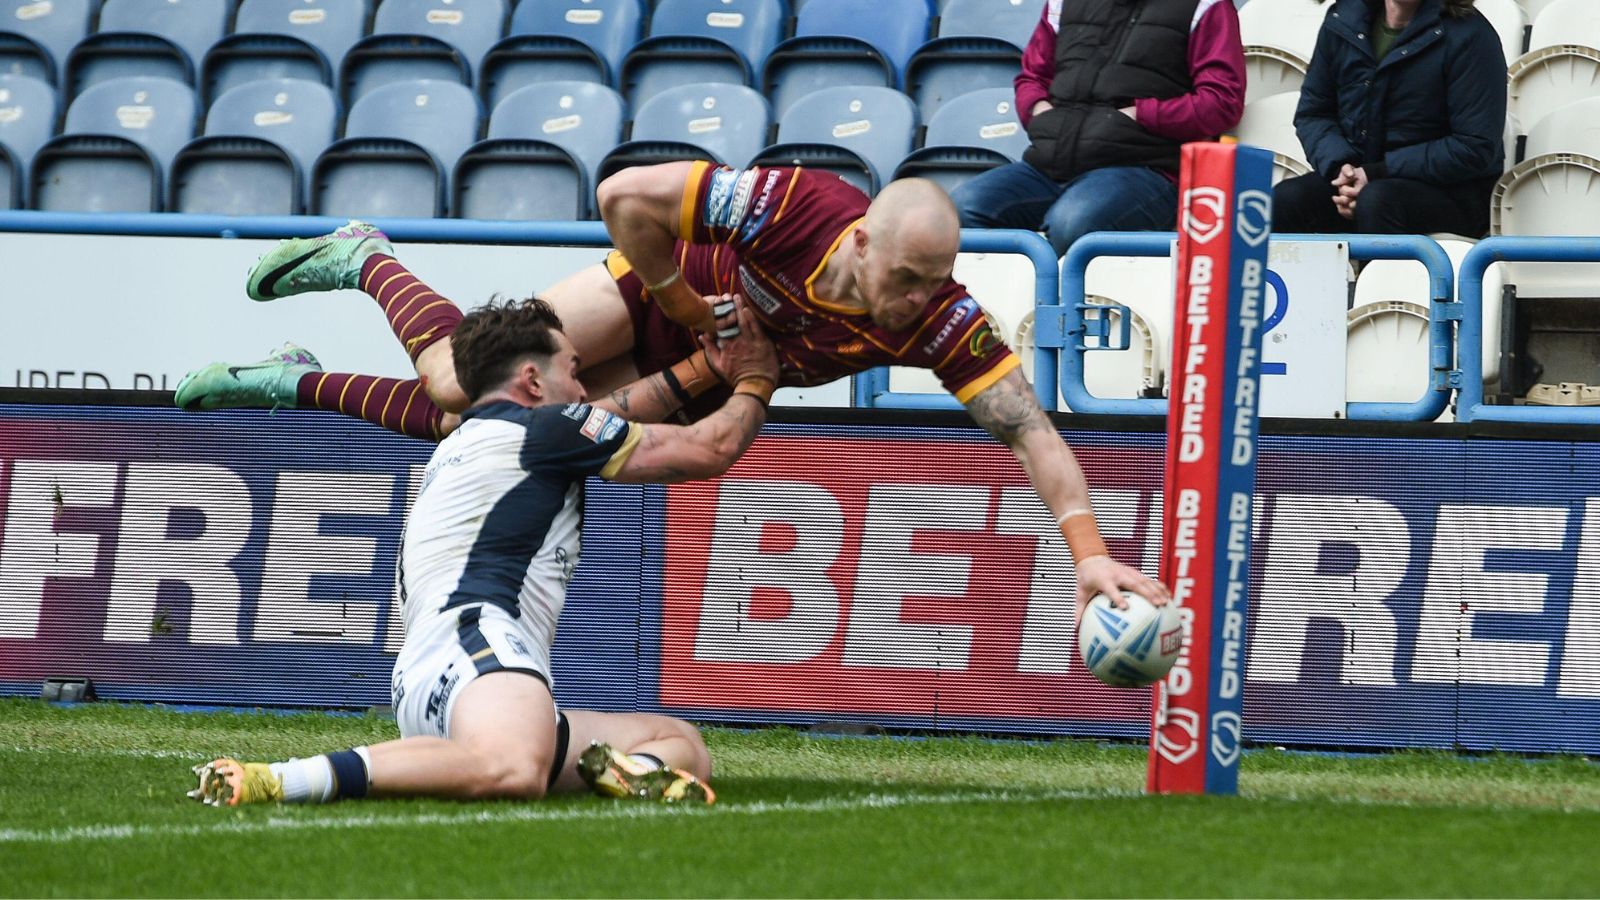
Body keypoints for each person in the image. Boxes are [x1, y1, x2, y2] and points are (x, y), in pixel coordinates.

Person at [176, 162, 1168, 617]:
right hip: (654, 300)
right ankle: (364, 257)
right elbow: (624, 197)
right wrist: (682, 300)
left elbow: (1029, 431)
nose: (913, 304)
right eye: (902, 280)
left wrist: (1086, 554)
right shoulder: (795, 206)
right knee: (450, 380)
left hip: (715, 373)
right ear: (860, 239)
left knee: (467, 428)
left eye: (929, 284)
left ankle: (296, 381)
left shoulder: (944, 321)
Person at [189, 293, 780, 807]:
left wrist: (703, 369)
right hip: (479, 649)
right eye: (573, 371)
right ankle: (280, 779)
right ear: (531, 380)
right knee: (515, 771)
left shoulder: (470, 434)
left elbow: (614, 414)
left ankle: (628, 775)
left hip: (443, 674)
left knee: (680, 745)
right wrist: (756, 377)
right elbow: (712, 447)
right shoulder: (547, 432)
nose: (582, 388)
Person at [949, 0, 1246, 257]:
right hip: (1048, 165)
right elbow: (1031, 77)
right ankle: (993, 319)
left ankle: (1048, 319)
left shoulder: (1207, 5)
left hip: (1145, 170)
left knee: (1073, 222)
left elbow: (1222, 101)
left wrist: (1141, 114)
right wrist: (1038, 110)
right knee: (962, 209)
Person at [1272, 0, 1506, 236]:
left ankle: (1379, 273)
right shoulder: (1343, 19)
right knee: (1285, 200)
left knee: (1376, 201)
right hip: (1362, 177)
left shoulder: (1472, 36)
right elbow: (1314, 113)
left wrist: (1376, 173)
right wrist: (1342, 170)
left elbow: (1474, 146)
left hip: (1451, 194)